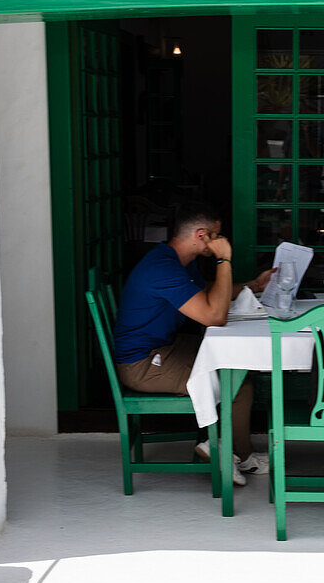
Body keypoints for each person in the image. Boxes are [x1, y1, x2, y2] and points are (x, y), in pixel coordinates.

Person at [111, 203, 276, 485]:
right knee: (237, 384)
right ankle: (225, 450)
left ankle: (226, 446)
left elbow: (208, 294)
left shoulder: (175, 261)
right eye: (217, 236)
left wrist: (253, 286)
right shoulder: (163, 268)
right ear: (202, 235)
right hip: (142, 365)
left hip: (162, 348)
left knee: (236, 370)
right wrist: (224, 260)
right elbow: (214, 316)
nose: (222, 242)